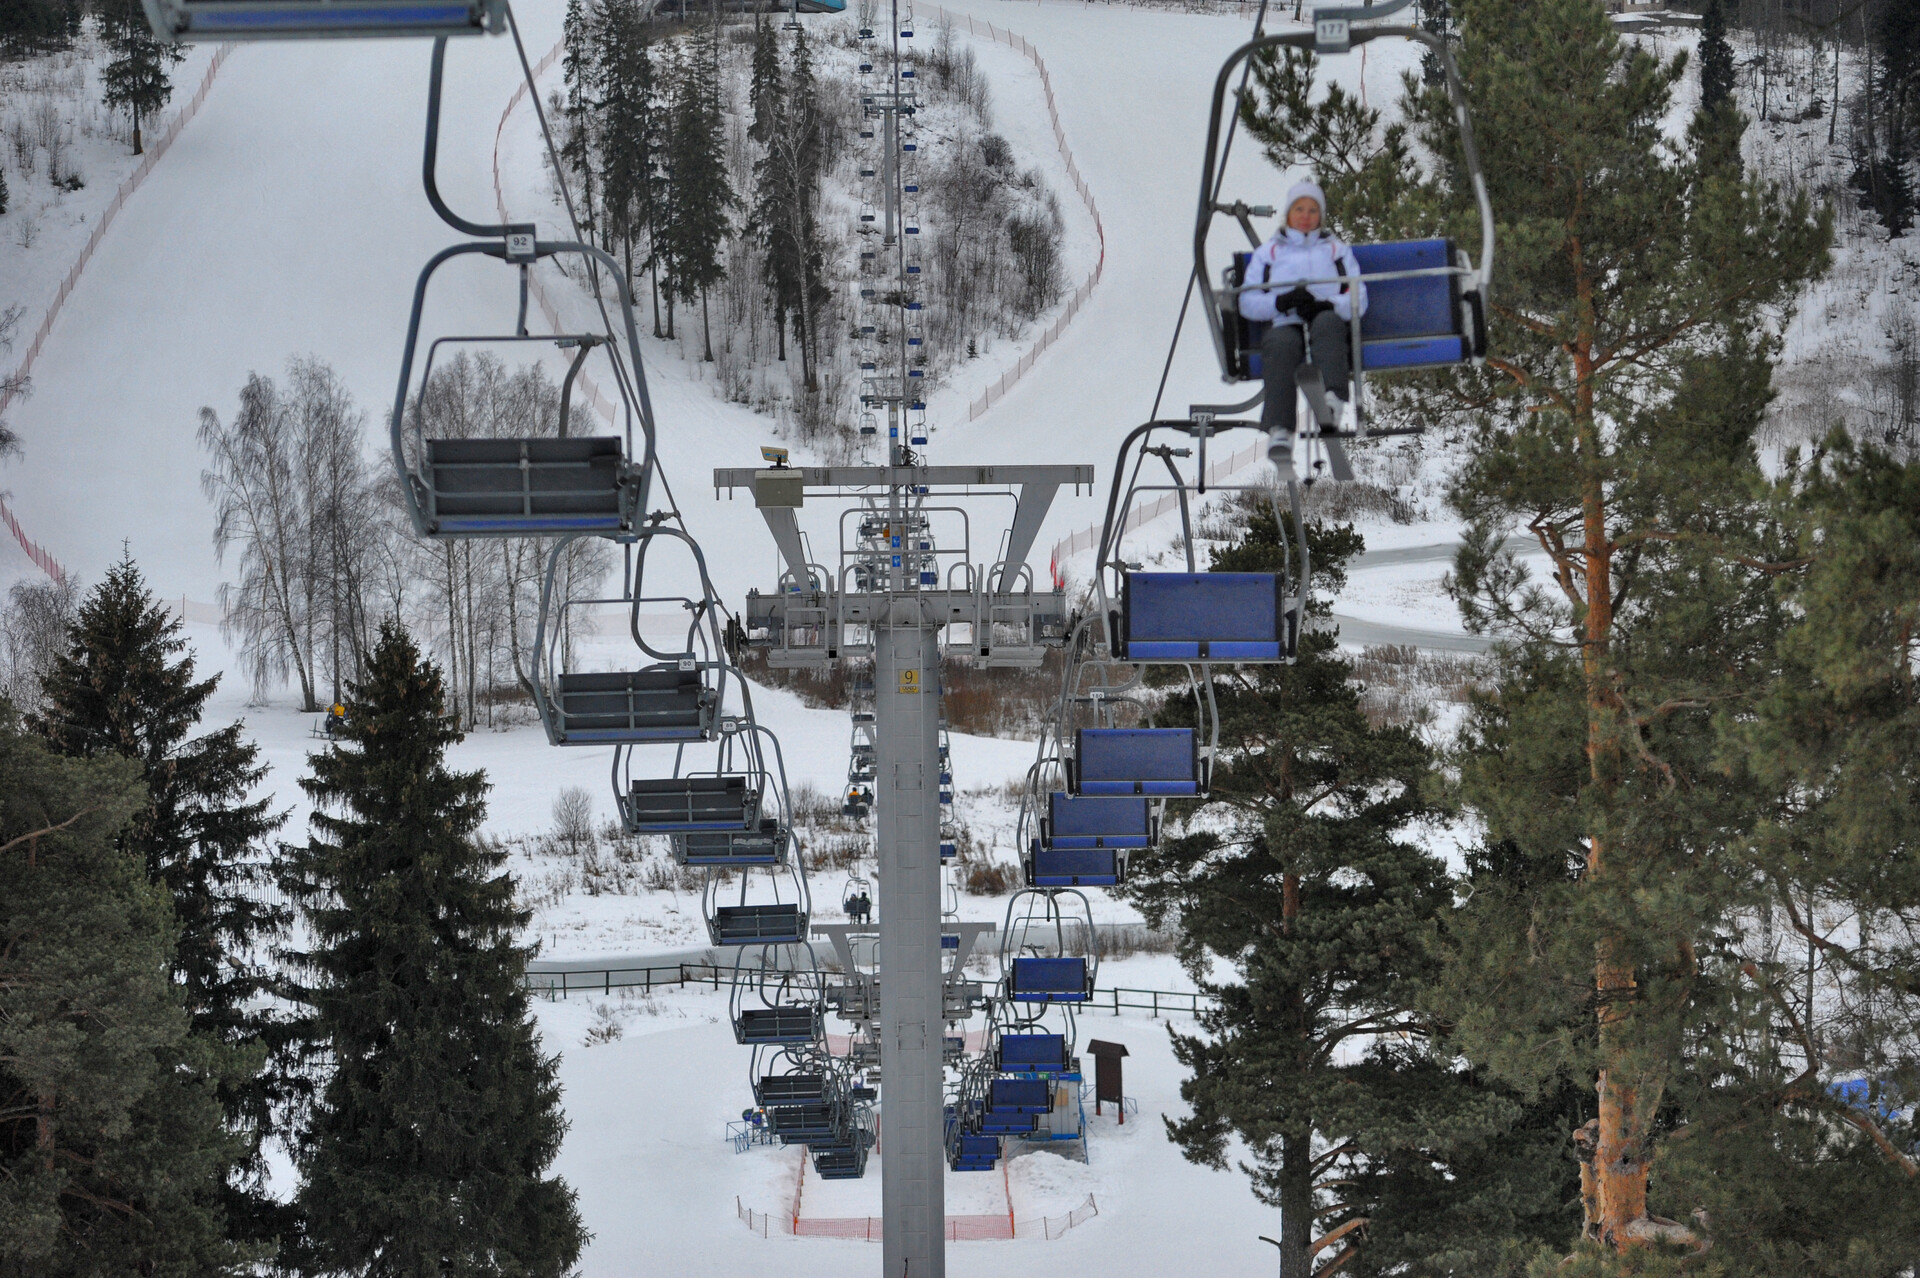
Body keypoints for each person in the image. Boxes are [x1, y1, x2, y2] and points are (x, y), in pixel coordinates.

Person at [1238, 179, 1368, 479]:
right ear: (1288, 213)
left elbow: (1357, 297)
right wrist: (1280, 302)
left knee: (1328, 326)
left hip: (1326, 319)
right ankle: (1280, 431)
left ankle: (1332, 401)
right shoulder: (1270, 253)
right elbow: (1248, 301)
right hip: (1286, 321)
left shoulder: (1335, 250)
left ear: (1321, 215)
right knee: (1281, 345)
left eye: (1312, 210)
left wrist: (1327, 303)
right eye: (1300, 209)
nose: (1306, 216)